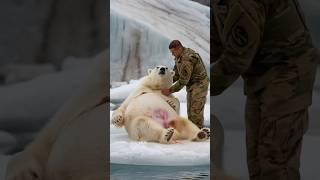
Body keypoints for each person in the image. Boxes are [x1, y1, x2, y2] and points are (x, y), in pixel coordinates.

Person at [212, 0, 319, 179]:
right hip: (264, 75)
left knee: (275, 158)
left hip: (288, 74)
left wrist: (200, 85)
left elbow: (237, 58)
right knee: (258, 158)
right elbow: (218, 37)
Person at [161, 40, 209, 129]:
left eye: (173, 52)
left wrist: (170, 90)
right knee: (190, 109)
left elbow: (183, 81)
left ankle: (198, 132)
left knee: (195, 110)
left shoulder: (187, 59)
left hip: (199, 84)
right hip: (191, 84)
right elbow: (176, 74)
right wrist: (166, 82)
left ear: (178, 48)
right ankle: (193, 131)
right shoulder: (179, 57)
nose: (172, 54)